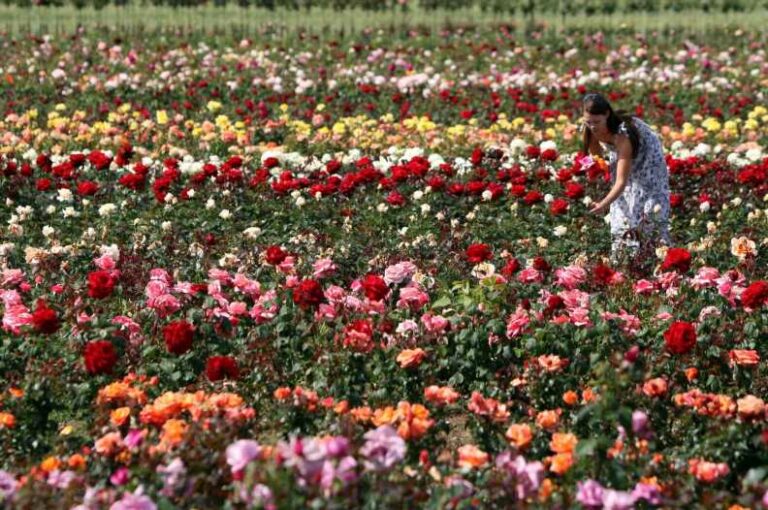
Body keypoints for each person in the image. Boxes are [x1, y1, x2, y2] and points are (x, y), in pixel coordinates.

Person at [581, 93, 671, 262]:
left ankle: (652, 258)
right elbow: (598, 161)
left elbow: (621, 182)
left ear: (607, 114)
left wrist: (603, 204)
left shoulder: (622, 135)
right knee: (623, 209)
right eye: (588, 121)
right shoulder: (590, 127)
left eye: (597, 122)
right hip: (625, 154)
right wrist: (595, 186)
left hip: (648, 159)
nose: (592, 126)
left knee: (646, 205)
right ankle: (624, 258)